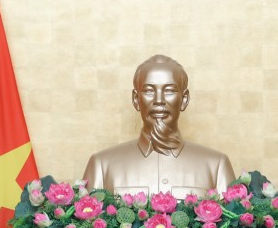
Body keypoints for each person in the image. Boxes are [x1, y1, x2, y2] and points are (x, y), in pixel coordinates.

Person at [82, 54, 235, 197]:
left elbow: (233, 222)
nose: (159, 100)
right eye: (149, 91)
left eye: (169, 91)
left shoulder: (216, 166)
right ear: (136, 99)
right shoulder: (102, 166)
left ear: (184, 99)